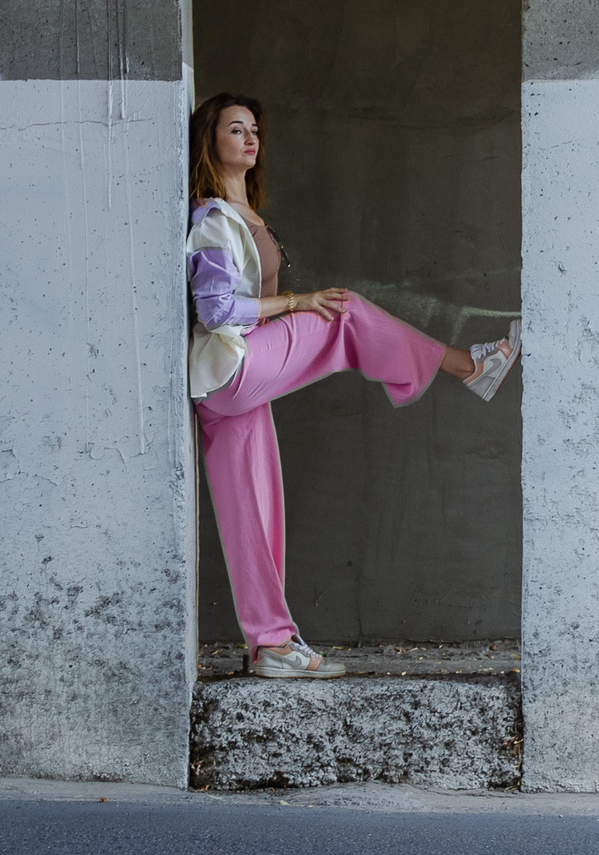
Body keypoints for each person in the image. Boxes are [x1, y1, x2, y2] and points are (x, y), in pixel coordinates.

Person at [185, 91, 519, 679]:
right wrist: (295, 302)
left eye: (256, 129)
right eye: (236, 129)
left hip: (225, 393)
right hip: (231, 368)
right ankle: (470, 366)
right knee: (343, 313)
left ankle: (272, 645)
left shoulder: (245, 214)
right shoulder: (213, 217)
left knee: (255, 512)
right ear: (209, 140)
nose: (251, 138)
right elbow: (215, 311)